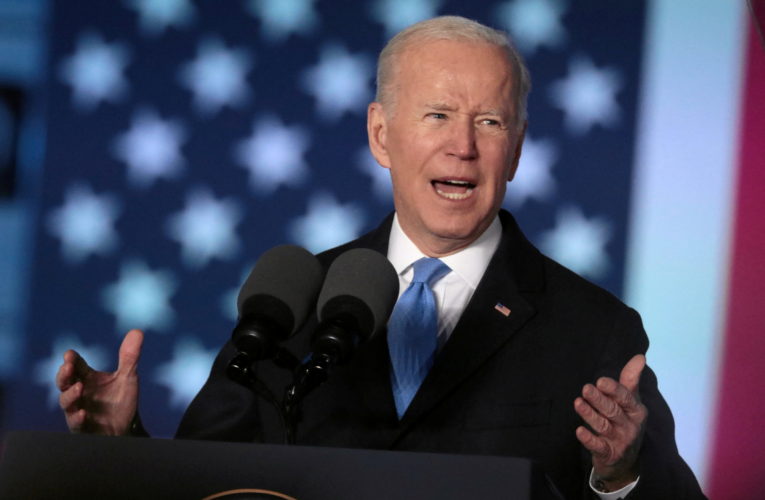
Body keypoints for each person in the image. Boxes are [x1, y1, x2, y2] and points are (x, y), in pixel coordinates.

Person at [56, 16, 705, 499]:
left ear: (516, 148)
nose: (462, 147)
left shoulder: (592, 329)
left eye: (489, 122)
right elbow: (205, 483)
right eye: (437, 115)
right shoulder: (290, 300)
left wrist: (620, 475)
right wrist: (121, 446)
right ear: (380, 134)